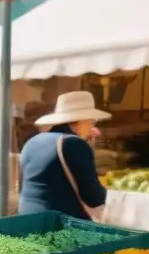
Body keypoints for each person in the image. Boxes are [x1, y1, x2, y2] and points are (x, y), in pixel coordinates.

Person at [19, 91, 109, 220]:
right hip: (59, 226)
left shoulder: (32, 142)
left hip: (26, 219)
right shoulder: (74, 144)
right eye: (92, 121)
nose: (92, 125)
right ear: (82, 120)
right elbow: (94, 198)